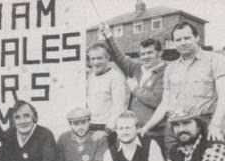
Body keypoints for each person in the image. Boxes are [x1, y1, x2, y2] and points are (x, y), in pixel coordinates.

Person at [140, 21, 225, 151]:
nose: (182, 42)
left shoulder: (216, 60)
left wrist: (216, 124)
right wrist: (147, 127)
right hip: (175, 129)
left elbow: (223, 96)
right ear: (174, 43)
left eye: (187, 38)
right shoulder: (170, 68)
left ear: (197, 38)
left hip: (205, 125)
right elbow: (165, 103)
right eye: (178, 40)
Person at [99, 23, 167, 151]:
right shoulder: (137, 68)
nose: (145, 57)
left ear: (160, 53)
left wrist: (135, 89)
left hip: (156, 134)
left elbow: (157, 100)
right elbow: (119, 57)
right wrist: (108, 35)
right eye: (143, 53)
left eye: (149, 53)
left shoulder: (166, 72)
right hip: (134, 132)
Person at [86, 42, 129, 131]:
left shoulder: (115, 77)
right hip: (91, 125)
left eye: (99, 58)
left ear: (107, 58)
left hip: (107, 127)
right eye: (92, 59)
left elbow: (119, 106)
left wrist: (108, 130)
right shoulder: (91, 77)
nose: (96, 62)